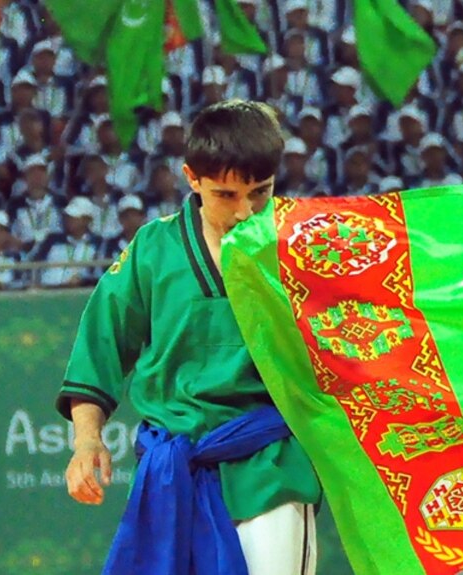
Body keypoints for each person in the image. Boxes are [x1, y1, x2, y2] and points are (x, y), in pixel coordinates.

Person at [56, 100, 321, 575]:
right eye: (226, 195)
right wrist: (86, 440)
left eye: (260, 193)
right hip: (173, 465)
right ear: (191, 178)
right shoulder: (153, 249)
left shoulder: (304, 245)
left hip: (270, 463)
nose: (245, 212)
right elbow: (101, 344)